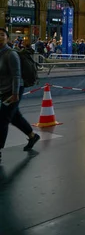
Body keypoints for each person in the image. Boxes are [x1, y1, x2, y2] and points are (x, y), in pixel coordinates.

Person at [0, 28, 40, 163]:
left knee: (3, 120)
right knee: (14, 116)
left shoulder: (11, 54)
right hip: (3, 90)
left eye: (2, 35)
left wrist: (15, 94)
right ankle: (32, 135)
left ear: (7, 38)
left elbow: (17, 76)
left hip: (14, 90)